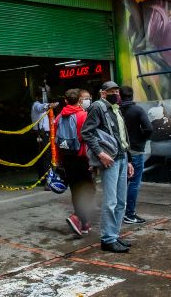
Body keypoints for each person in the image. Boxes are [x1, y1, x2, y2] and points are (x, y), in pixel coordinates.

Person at [80, 81, 132, 253]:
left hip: (122, 157)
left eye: (117, 90)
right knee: (110, 201)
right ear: (103, 93)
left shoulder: (115, 108)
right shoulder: (98, 107)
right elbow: (87, 132)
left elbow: (122, 135)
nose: (115, 93)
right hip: (110, 160)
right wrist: (100, 154)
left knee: (121, 201)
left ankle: (114, 235)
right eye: (111, 91)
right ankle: (108, 239)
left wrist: (128, 158)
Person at [58, 89, 95, 237]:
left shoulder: (59, 117)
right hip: (82, 157)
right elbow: (89, 137)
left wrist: (59, 159)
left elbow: (56, 140)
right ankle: (77, 216)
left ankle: (84, 223)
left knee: (75, 190)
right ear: (79, 101)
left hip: (67, 157)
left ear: (65, 101)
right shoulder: (83, 115)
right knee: (89, 189)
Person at [117, 86, 153, 225]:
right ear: (132, 96)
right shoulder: (137, 110)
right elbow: (149, 128)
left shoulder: (116, 110)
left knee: (122, 183)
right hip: (136, 150)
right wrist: (142, 139)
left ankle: (120, 212)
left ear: (120, 96)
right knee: (134, 183)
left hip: (120, 151)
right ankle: (130, 214)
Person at [31, 82, 60, 182]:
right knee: (45, 157)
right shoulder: (36, 105)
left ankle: (45, 177)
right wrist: (50, 105)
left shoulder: (45, 105)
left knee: (47, 156)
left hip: (47, 133)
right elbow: (42, 107)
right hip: (41, 134)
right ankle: (46, 178)